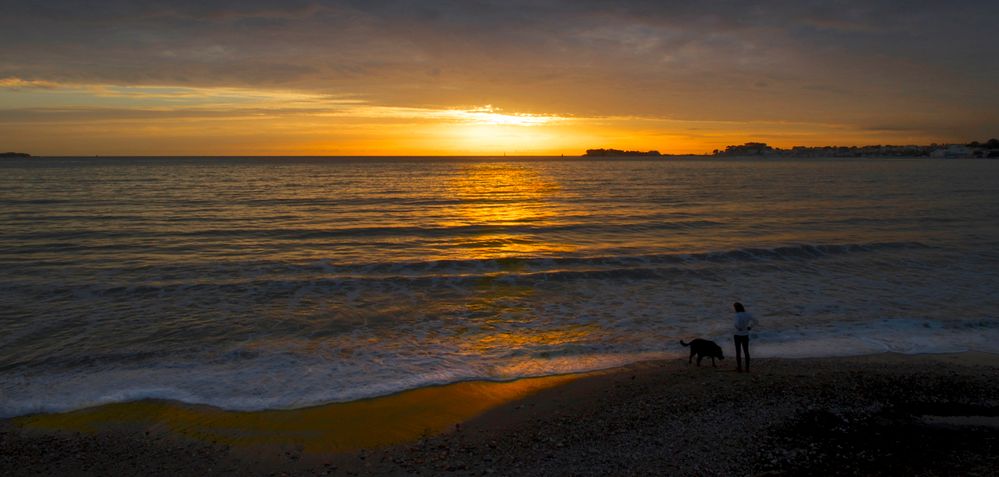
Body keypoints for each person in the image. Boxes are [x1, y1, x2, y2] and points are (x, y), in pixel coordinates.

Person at [732, 302, 757, 372]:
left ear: (736, 308)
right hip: (745, 335)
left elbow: (737, 324)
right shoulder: (748, 314)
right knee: (746, 351)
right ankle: (747, 369)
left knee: (738, 352)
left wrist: (737, 327)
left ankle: (740, 368)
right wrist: (750, 327)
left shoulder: (737, 315)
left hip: (737, 335)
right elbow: (756, 321)